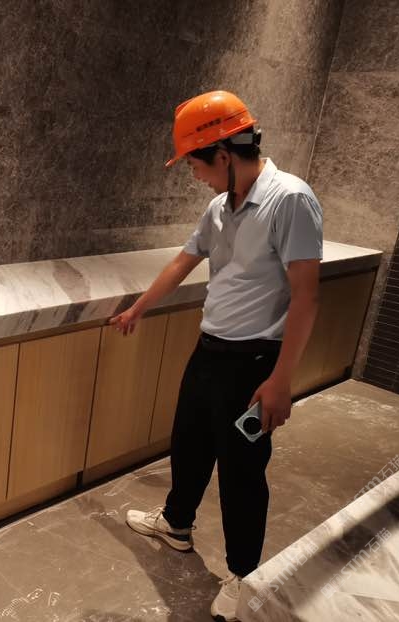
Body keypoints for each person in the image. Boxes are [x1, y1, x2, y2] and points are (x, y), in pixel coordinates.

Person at [109, 91, 322, 622]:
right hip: (209, 350)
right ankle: (176, 524)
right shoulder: (219, 207)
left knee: (242, 472)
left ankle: (245, 574)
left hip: (255, 363)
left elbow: (306, 297)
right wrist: (138, 308)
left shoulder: (290, 201)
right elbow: (183, 262)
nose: (194, 176)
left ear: (224, 156)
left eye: (195, 165)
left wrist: (282, 381)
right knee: (188, 443)